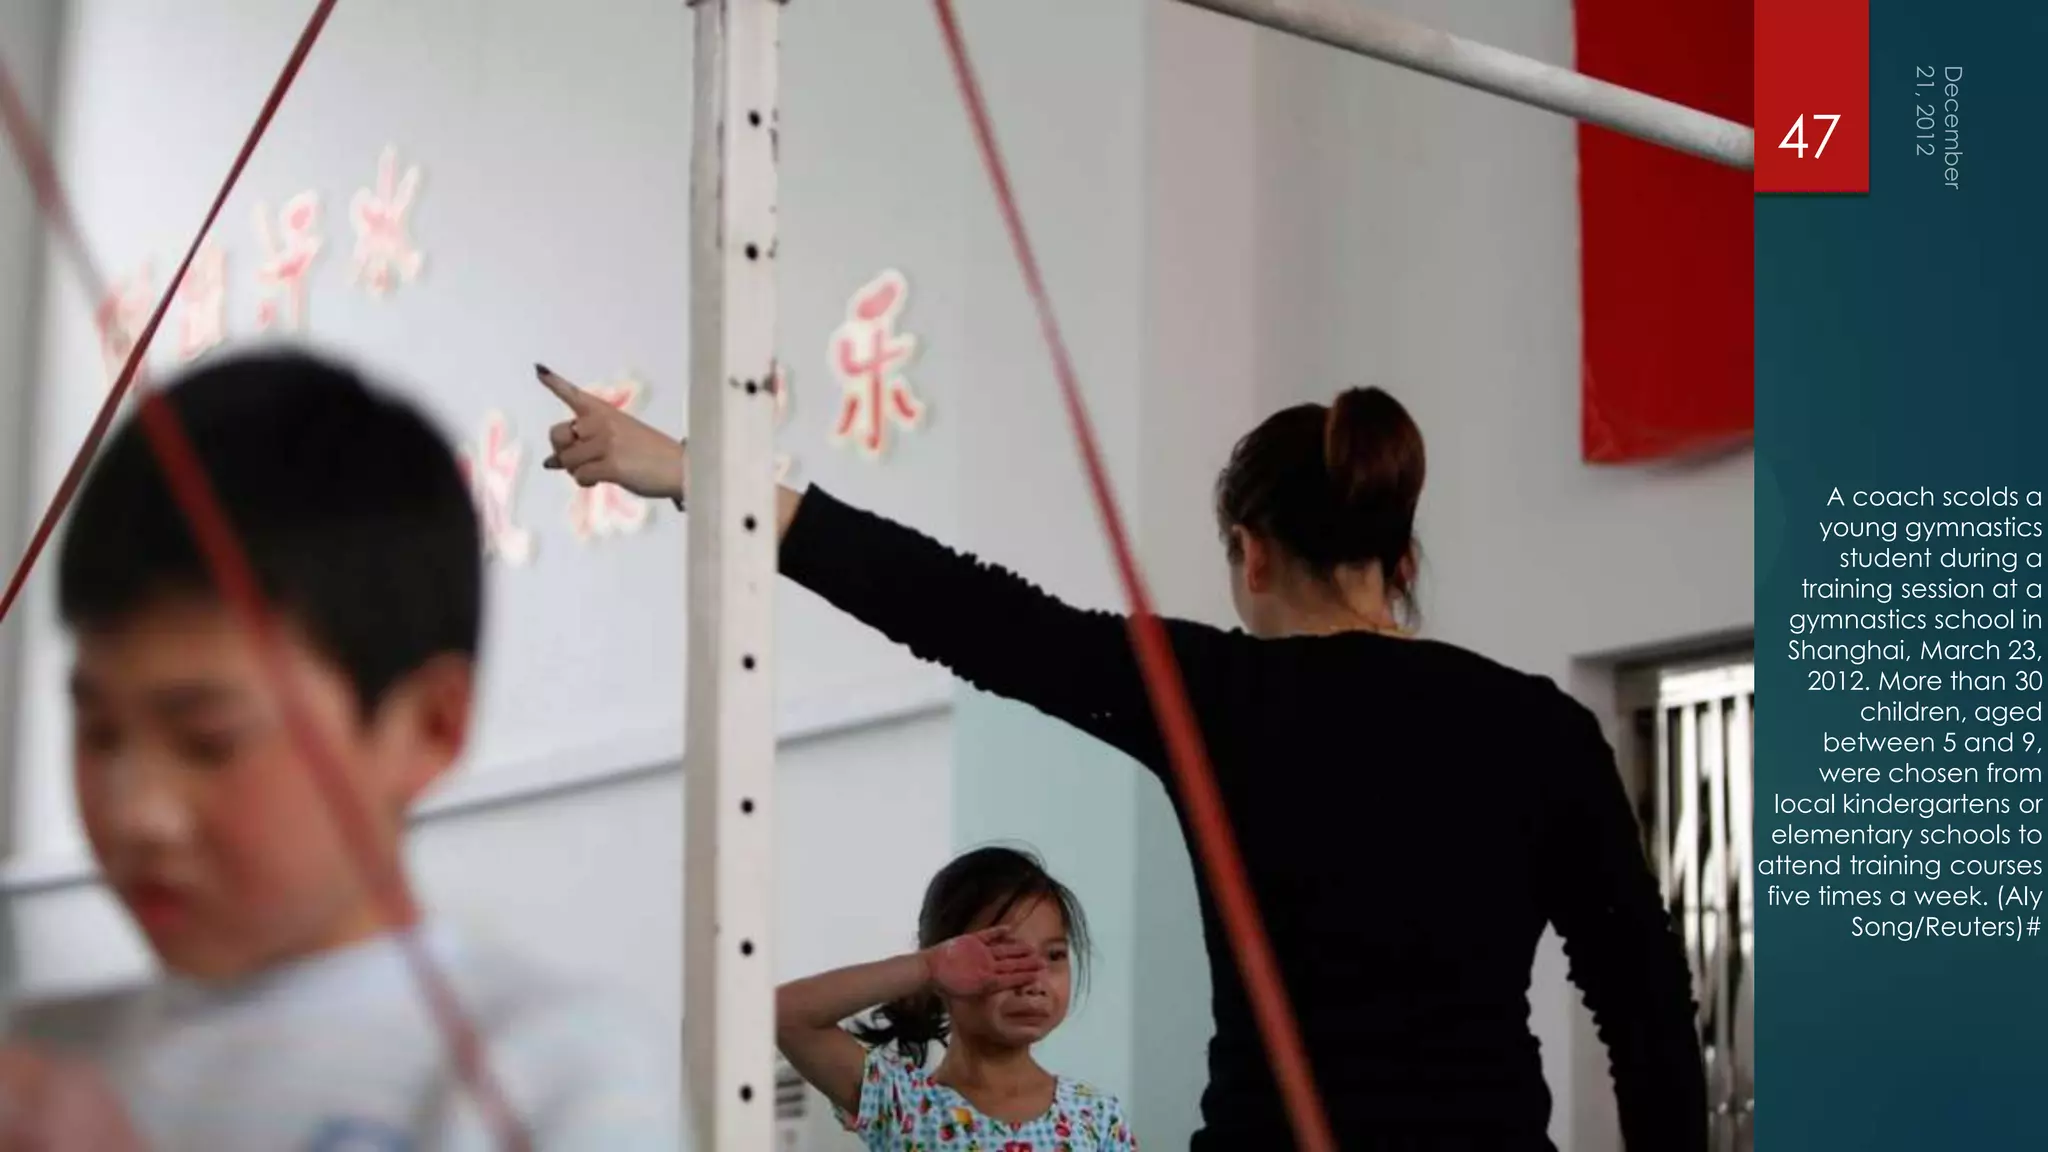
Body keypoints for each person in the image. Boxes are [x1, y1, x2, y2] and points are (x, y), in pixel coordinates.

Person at [538, 365, 1708, 1149]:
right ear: (1400, 552)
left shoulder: (1225, 693)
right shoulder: (1539, 725)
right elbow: (1646, 1013)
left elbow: (964, 610)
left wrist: (695, 471)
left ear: (1248, 555)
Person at [0, 352, 680, 1150]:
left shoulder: (556, 1070)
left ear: (430, 726)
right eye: (100, 732)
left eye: (209, 741)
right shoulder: (35, 1061)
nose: (137, 811)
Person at [775, 846, 1137, 1151]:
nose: (1034, 981)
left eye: (1055, 955)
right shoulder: (903, 1105)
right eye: (1005, 956)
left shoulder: (1096, 1116)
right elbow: (785, 1013)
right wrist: (926, 967)